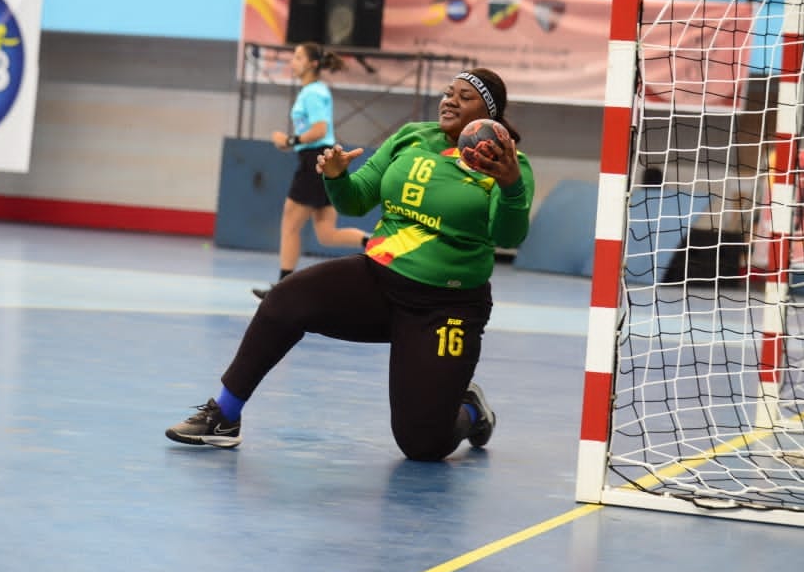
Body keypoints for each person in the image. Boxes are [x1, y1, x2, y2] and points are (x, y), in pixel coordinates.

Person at [165, 67, 534, 461]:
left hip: (446, 307)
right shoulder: (412, 137)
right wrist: (337, 177)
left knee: (422, 445)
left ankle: (471, 411)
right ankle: (223, 417)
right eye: (448, 93)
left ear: (488, 113)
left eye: (464, 97)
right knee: (284, 300)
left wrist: (510, 185)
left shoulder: (509, 164)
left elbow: (508, 236)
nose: (450, 101)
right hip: (379, 280)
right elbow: (355, 201)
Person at [250, 43, 370, 299]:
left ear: (313, 64)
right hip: (320, 159)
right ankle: (372, 242)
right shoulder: (314, 91)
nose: (292, 62)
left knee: (290, 225)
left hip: (314, 161)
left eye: (298, 57)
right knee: (326, 233)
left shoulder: (313, 93)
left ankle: (282, 290)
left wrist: (289, 140)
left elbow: (319, 129)